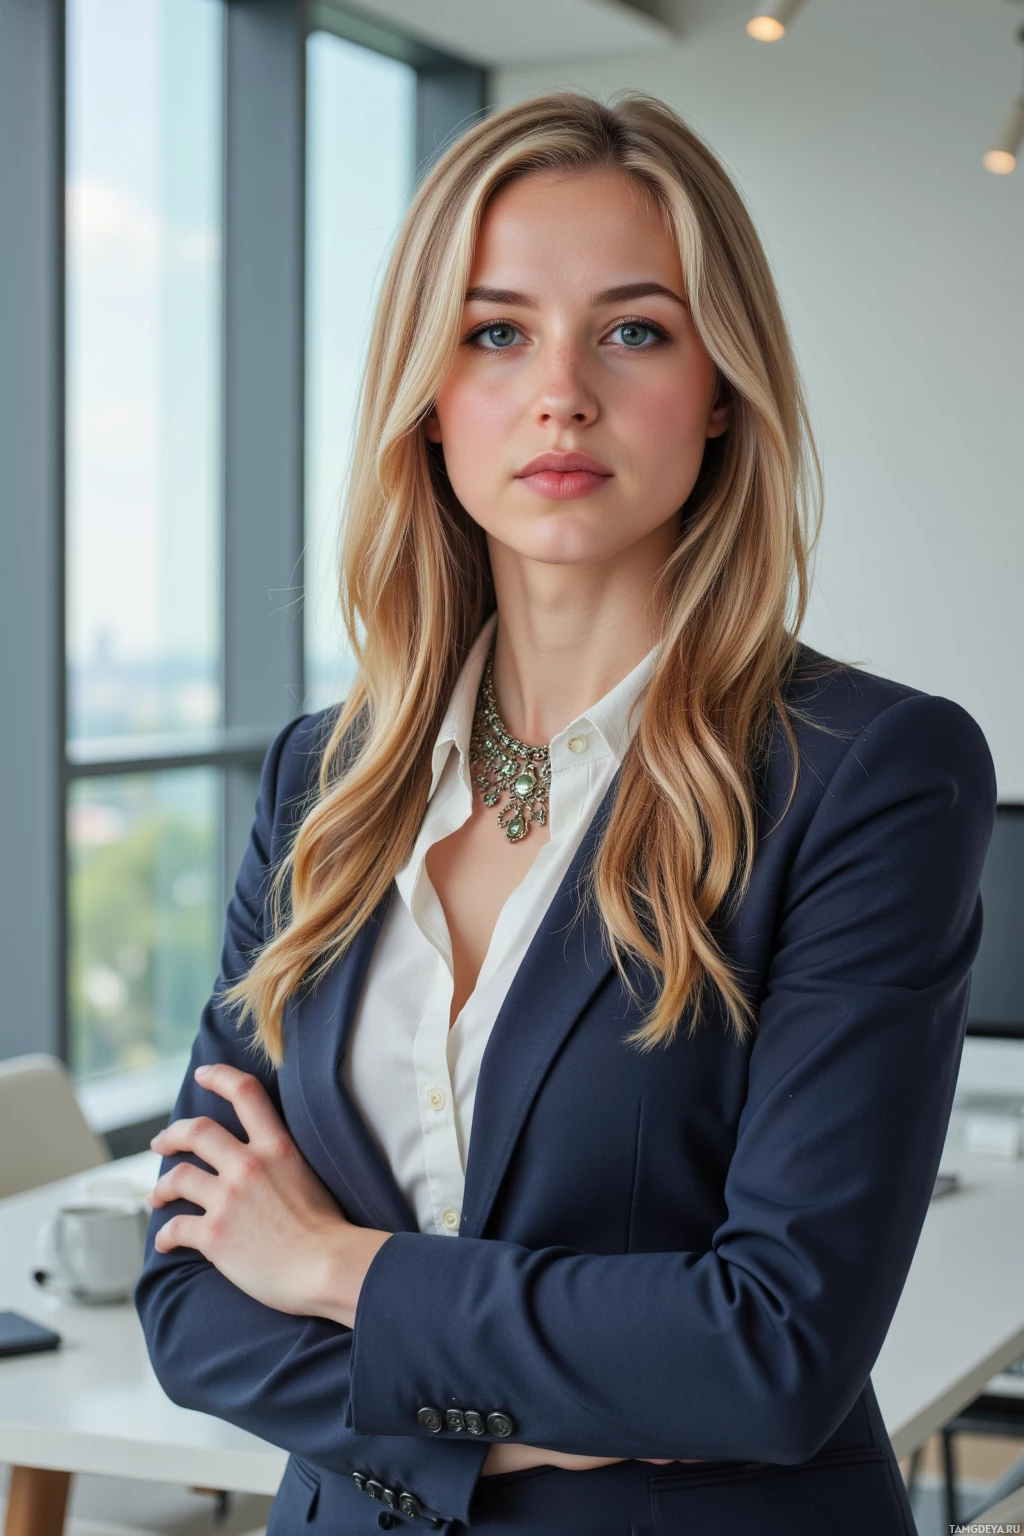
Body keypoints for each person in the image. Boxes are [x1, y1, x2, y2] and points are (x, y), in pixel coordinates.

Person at [134, 90, 996, 1535]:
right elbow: (188, 1298)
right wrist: (521, 1429)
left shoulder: (870, 772)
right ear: (428, 389)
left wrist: (336, 1269)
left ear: (722, 386)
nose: (563, 394)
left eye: (636, 330)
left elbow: (770, 1349)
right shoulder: (321, 779)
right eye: (495, 331)